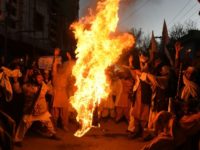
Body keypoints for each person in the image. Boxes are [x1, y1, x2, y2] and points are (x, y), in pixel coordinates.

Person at [14, 71, 59, 146]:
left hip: (42, 110)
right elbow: (18, 90)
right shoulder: (27, 87)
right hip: (30, 111)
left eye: (41, 77)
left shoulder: (43, 85)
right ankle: (17, 140)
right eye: (39, 77)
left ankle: (53, 134)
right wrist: (15, 82)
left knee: (48, 123)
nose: (41, 78)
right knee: (23, 126)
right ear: (34, 79)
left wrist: (49, 84)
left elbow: (50, 92)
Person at [51, 48, 75, 131]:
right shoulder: (55, 75)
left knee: (65, 112)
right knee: (55, 112)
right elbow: (53, 65)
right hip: (56, 93)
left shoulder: (65, 75)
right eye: (59, 68)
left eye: (61, 67)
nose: (60, 69)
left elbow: (69, 67)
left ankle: (65, 125)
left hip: (63, 94)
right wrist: (55, 56)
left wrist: (69, 58)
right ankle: (54, 126)